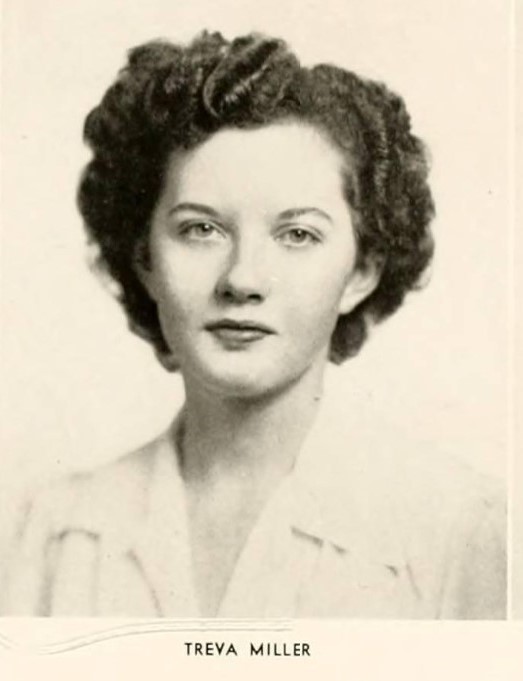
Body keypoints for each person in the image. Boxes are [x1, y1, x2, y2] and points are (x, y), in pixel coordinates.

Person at [0, 31, 506, 618]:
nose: (242, 279)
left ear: (362, 270)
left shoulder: (460, 534)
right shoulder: (54, 534)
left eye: (297, 235)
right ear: (144, 258)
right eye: (200, 229)